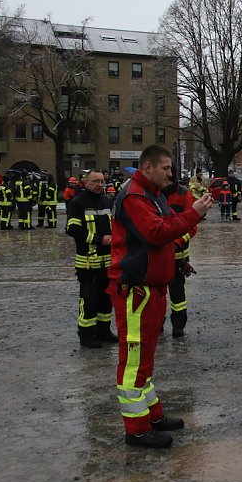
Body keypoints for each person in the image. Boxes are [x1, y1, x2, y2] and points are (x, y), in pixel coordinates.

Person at [108, 145, 212, 448]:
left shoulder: (152, 195)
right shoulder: (135, 196)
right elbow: (156, 232)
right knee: (134, 362)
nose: (171, 173)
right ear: (148, 167)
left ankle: (150, 415)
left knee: (146, 358)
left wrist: (185, 231)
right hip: (135, 290)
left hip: (150, 288)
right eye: (166, 168)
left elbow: (166, 233)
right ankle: (136, 429)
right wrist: (193, 215)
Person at [67, 170, 118, 348]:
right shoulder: (78, 203)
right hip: (88, 262)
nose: (99, 184)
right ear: (85, 182)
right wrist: (99, 239)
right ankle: (86, 334)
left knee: (106, 299)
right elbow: (72, 229)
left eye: (102, 181)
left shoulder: (107, 201)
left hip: (108, 261)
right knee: (89, 300)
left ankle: (103, 330)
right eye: (95, 181)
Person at [162, 170, 198, 337]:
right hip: (156, 255)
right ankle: (157, 324)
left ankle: (178, 326)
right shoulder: (151, 193)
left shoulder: (184, 194)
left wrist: (175, 242)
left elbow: (192, 225)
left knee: (177, 293)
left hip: (177, 255)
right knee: (156, 292)